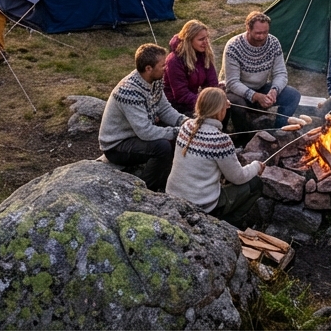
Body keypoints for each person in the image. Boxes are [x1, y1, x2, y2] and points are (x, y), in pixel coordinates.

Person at [166, 88, 264, 228]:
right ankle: (228, 224)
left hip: (172, 196)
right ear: (221, 111)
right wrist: (256, 166)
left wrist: (221, 105)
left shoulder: (186, 126)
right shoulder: (220, 141)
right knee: (255, 184)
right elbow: (237, 177)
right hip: (200, 205)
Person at [99, 43, 188, 192]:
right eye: (162, 65)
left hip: (136, 134)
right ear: (148, 68)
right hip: (117, 145)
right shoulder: (129, 91)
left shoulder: (156, 80)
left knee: (173, 134)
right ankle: (147, 189)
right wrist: (178, 131)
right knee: (163, 147)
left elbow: (164, 109)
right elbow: (145, 132)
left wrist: (185, 122)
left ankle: (169, 178)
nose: (166, 67)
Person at [221, 11, 302, 132]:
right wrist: (255, 96)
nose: (262, 36)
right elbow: (232, 82)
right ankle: (243, 137)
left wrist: (274, 90)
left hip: (261, 87)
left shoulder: (273, 43)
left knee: (293, 95)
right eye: (258, 33)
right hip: (235, 91)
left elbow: (281, 72)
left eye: (265, 32)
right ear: (248, 29)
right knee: (238, 105)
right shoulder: (234, 47)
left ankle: (279, 131)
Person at [164, 20, 218, 116]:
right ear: (189, 40)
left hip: (192, 100)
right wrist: (205, 103)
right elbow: (181, 94)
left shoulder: (204, 54)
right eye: (201, 39)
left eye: (207, 38)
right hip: (175, 105)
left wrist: (216, 98)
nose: (205, 42)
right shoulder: (174, 60)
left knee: (221, 109)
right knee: (208, 114)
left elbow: (212, 82)